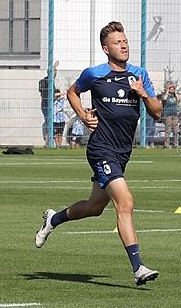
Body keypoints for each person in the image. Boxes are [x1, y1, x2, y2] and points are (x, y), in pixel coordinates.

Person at [34, 21, 162, 286]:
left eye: (125, 41)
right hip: (101, 148)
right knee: (125, 203)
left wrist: (143, 94)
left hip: (123, 151)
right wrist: (83, 116)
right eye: (118, 42)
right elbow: (73, 92)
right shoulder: (95, 74)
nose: (124, 45)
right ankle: (138, 268)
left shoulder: (139, 75)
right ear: (106, 48)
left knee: (95, 208)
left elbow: (158, 111)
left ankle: (53, 219)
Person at [39, 60, 59, 145]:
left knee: (49, 121)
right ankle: (47, 142)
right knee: (48, 122)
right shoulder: (47, 81)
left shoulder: (44, 81)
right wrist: (54, 67)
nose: (55, 74)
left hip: (46, 104)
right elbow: (52, 94)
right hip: (46, 104)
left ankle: (49, 141)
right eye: (54, 72)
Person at [159, 82, 181, 148]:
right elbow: (164, 98)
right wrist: (167, 91)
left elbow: (179, 99)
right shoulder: (166, 95)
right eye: (170, 88)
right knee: (168, 130)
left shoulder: (175, 95)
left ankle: (175, 143)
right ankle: (167, 144)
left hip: (174, 114)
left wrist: (175, 91)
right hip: (167, 115)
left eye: (173, 88)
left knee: (176, 130)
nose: (172, 89)